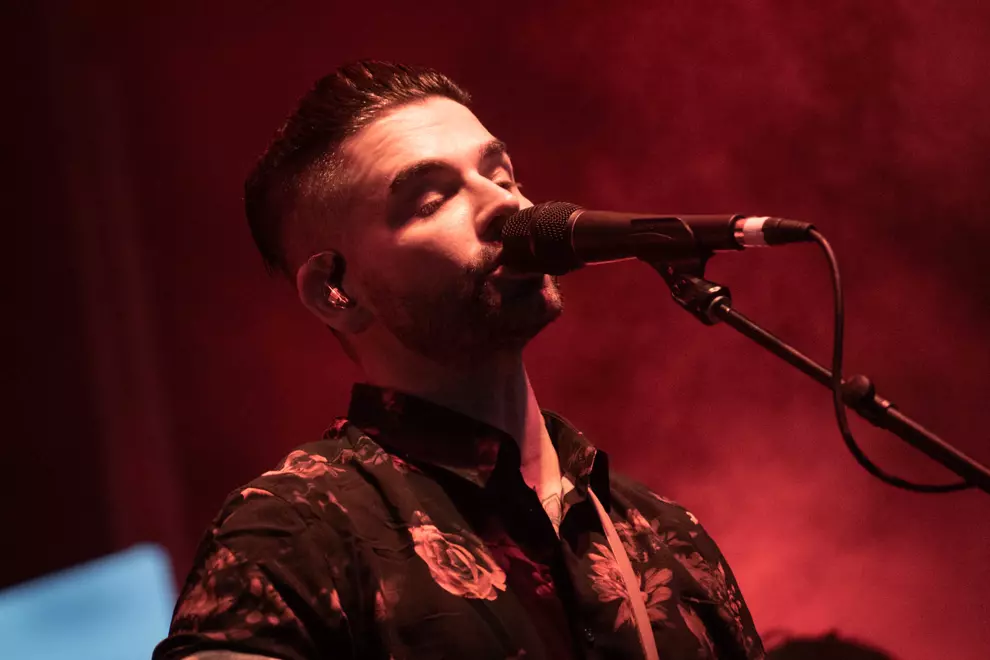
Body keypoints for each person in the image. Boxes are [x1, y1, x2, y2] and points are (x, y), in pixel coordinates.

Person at [153, 61, 764, 660]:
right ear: (334, 290)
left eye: (502, 175)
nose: (506, 205)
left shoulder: (666, 535)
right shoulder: (292, 533)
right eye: (431, 199)